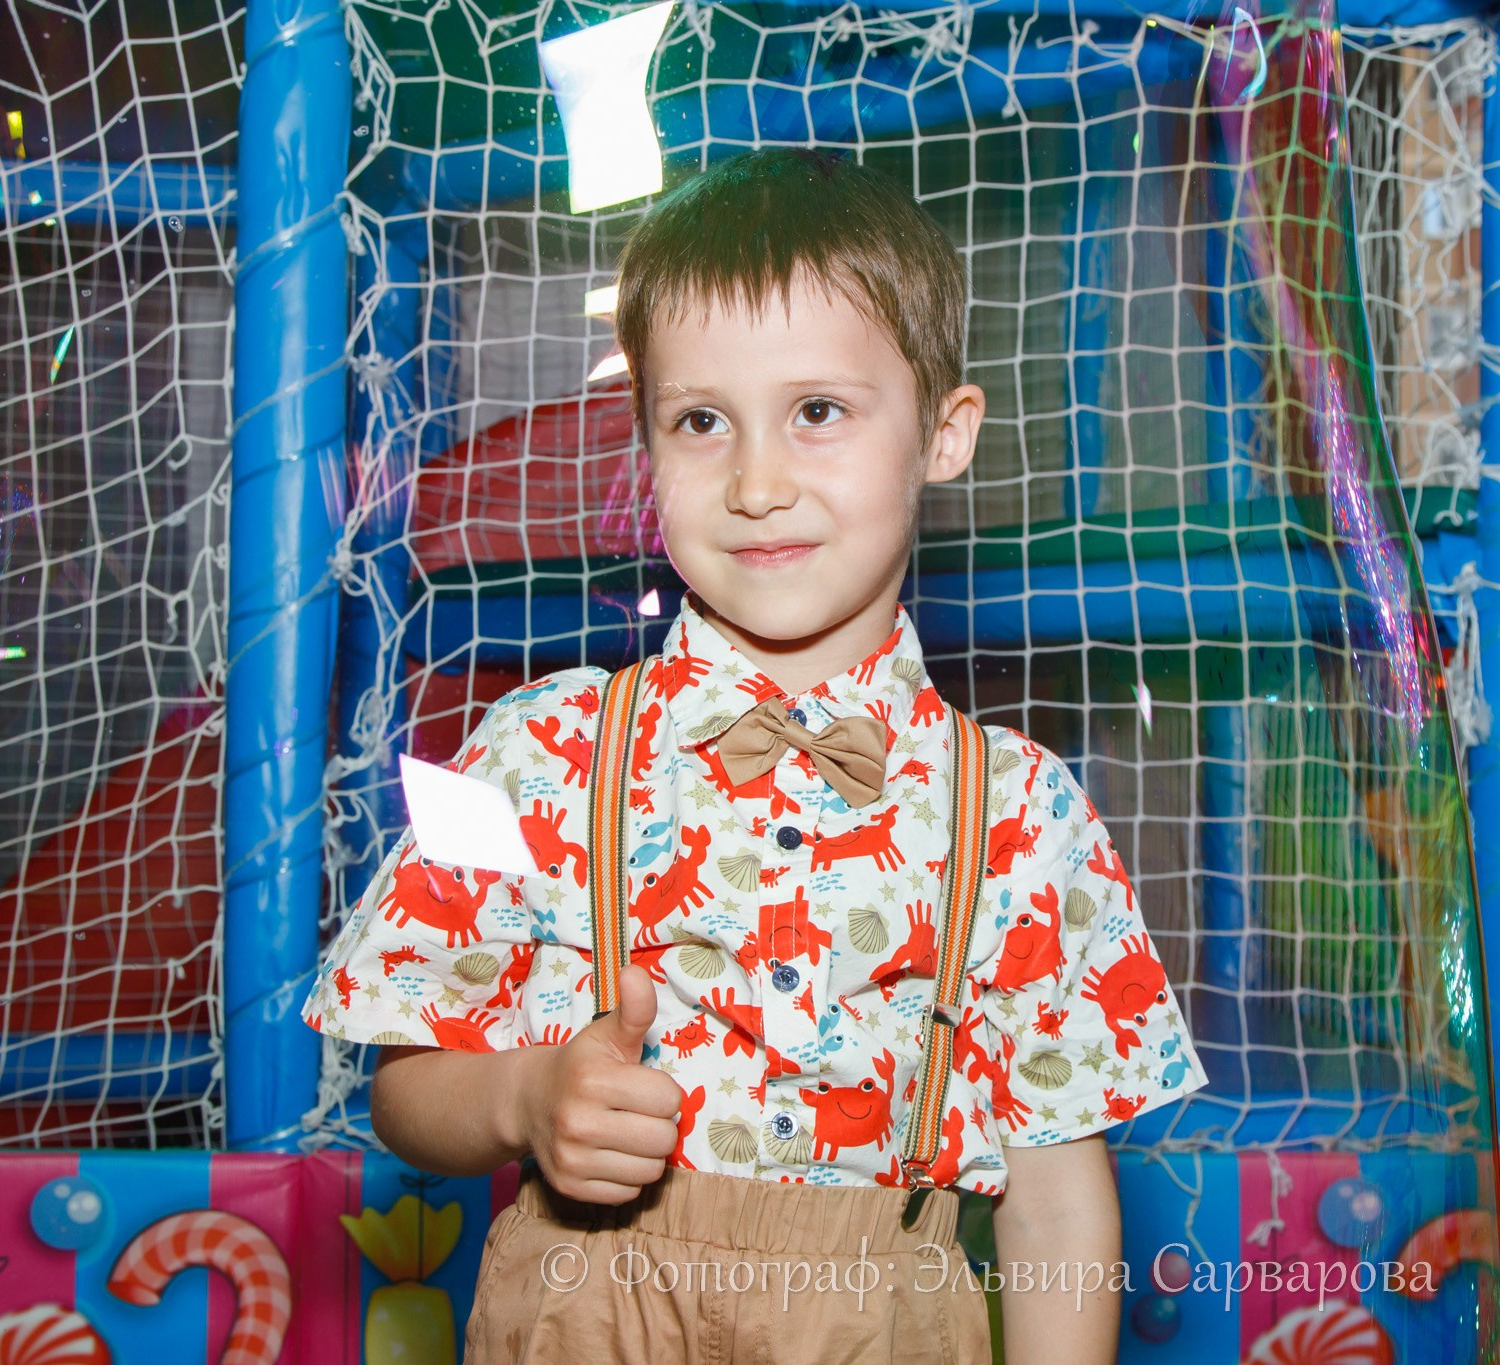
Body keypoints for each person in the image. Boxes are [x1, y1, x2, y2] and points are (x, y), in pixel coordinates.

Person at [302, 148, 1206, 1364]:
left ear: (942, 435)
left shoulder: (1020, 813)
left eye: (816, 411)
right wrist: (521, 1097)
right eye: (700, 421)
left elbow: (1054, 1202)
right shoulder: (537, 749)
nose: (756, 481)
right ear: (645, 441)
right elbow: (405, 1084)